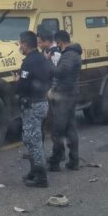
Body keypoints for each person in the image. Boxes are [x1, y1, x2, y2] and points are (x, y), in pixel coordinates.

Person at [15, 31, 52, 187]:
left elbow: (23, 86)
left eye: (20, 44)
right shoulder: (42, 59)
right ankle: (34, 171)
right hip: (42, 102)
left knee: (34, 142)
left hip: (32, 105)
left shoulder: (28, 62)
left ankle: (41, 177)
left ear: (25, 44)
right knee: (31, 140)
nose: (19, 47)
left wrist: (17, 81)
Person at [47, 30, 83, 172]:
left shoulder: (69, 55)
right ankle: (73, 161)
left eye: (56, 43)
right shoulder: (72, 54)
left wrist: (48, 61)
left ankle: (55, 162)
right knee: (70, 128)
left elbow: (60, 72)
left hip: (65, 96)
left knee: (58, 130)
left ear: (60, 41)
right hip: (70, 94)